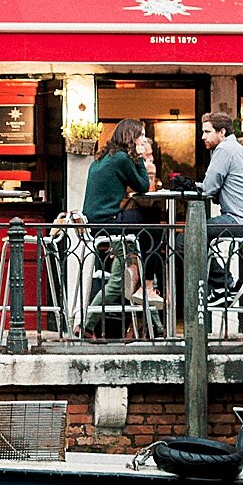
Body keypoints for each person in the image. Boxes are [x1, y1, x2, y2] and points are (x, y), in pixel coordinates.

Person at [81, 121, 155, 337]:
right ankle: (148, 282)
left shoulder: (103, 157)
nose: (143, 139)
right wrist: (140, 157)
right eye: (141, 136)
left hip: (95, 223)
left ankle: (152, 317)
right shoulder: (122, 158)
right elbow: (142, 185)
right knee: (153, 221)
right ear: (132, 137)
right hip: (108, 222)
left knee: (123, 272)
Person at [198, 112, 243, 302]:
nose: (202, 136)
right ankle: (223, 286)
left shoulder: (224, 150)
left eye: (207, 131)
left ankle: (226, 285)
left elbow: (209, 187)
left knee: (192, 235)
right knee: (197, 233)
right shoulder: (236, 148)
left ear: (221, 132)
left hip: (242, 220)